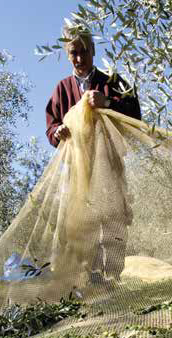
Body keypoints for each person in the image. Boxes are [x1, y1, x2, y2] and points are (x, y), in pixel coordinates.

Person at [45, 28, 141, 287]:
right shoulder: (62, 89)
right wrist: (58, 131)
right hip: (78, 168)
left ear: (93, 50)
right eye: (73, 53)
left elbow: (134, 115)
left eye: (83, 51)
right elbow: (51, 125)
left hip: (109, 163)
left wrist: (108, 103)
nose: (79, 58)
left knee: (113, 216)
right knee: (83, 220)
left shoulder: (111, 81)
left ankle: (114, 275)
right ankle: (92, 276)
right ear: (67, 56)